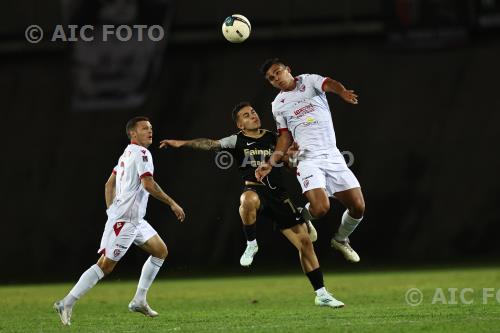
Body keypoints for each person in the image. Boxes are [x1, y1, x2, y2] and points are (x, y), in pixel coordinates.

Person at [159, 102, 344, 308]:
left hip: (278, 196)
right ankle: (251, 243)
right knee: (247, 199)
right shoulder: (236, 140)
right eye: (246, 115)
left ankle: (321, 293)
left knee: (305, 243)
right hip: (255, 190)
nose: (253, 116)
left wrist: (291, 156)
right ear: (240, 125)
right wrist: (180, 143)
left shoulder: (275, 138)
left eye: (253, 112)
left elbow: (291, 167)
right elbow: (209, 144)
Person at [54, 116, 186, 326]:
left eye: (151, 128)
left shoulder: (126, 154)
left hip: (133, 219)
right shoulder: (142, 153)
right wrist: (172, 203)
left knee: (160, 251)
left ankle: (139, 299)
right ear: (133, 133)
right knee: (105, 266)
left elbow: (108, 185)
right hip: (126, 220)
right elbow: (148, 184)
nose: (150, 131)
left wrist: (111, 210)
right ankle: (66, 302)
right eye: (144, 128)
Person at [255, 58, 365, 263]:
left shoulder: (309, 81)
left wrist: (341, 92)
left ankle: (340, 240)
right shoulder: (278, 105)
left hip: (332, 155)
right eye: (271, 78)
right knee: (321, 208)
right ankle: (301, 217)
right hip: (307, 158)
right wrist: (270, 163)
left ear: (288, 69)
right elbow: (284, 137)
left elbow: (330, 83)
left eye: (277, 72)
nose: (276, 78)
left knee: (358, 207)